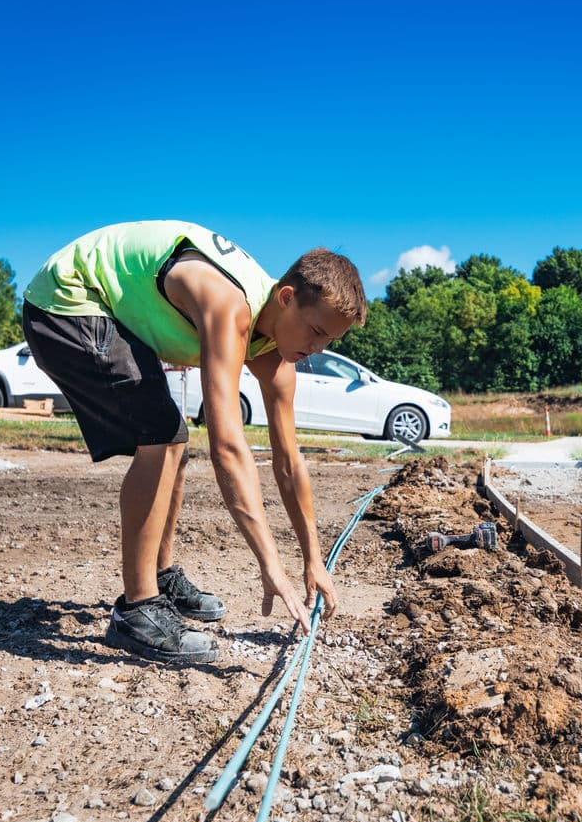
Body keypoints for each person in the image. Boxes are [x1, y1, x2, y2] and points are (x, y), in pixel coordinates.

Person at [21, 221, 367, 665]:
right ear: (286, 298)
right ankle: (137, 611)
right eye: (316, 331)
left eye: (330, 340)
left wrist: (312, 559)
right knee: (162, 436)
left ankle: (159, 577)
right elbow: (227, 446)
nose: (318, 348)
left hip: (104, 306)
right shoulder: (228, 307)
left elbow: (289, 461)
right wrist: (270, 565)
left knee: (172, 443)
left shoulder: (277, 349)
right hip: (66, 300)